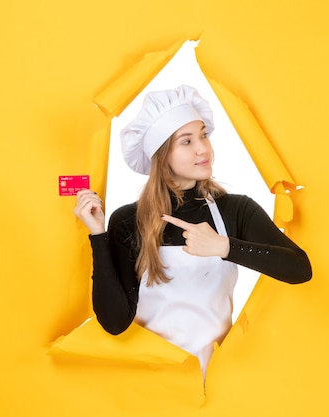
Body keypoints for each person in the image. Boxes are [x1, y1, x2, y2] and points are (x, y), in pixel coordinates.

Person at [74, 85, 312, 375]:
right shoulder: (128, 220)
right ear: (162, 156)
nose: (203, 148)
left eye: (203, 135)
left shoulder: (235, 209)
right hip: (152, 380)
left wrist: (224, 247)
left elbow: (299, 269)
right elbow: (114, 322)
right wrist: (99, 236)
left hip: (219, 382)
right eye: (186, 141)